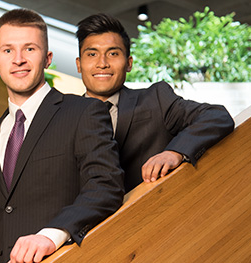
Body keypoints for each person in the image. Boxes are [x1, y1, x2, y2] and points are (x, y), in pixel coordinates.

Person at [0, 9, 124, 263]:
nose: (18, 59)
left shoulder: (84, 113)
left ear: (47, 58)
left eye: (30, 48)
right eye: (7, 50)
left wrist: (51, 236)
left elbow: (106, 186)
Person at [75, 13, 235, 192]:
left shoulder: (156, 100)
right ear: (79, 64)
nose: (102, 63)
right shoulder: (63, 118)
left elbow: (216, 116)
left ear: (129, 63)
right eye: (92, 54)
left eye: (113, 53)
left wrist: (176, 152)